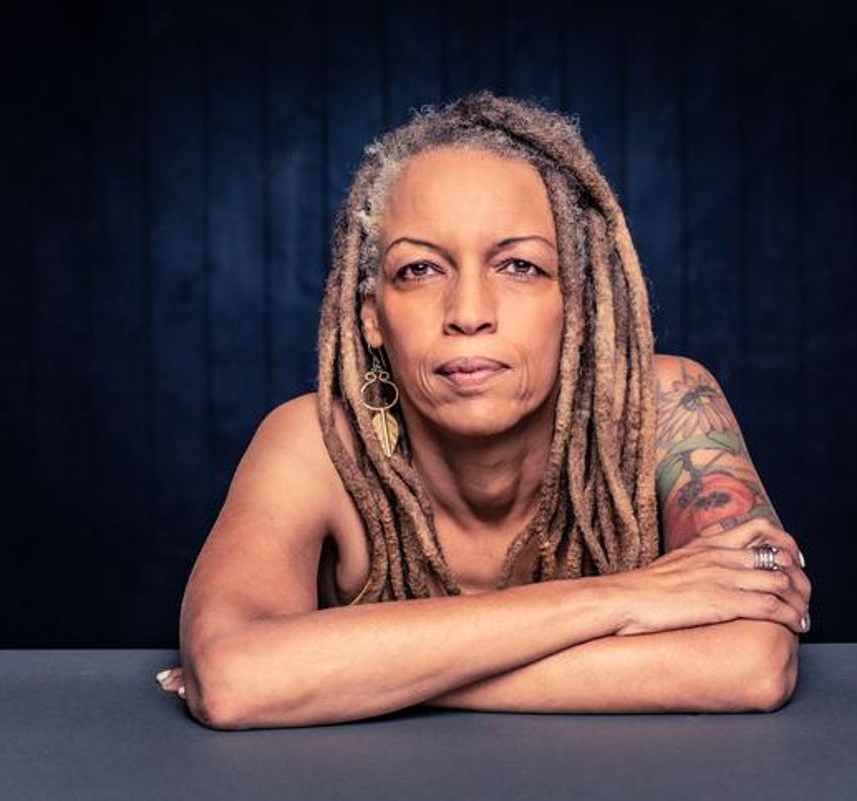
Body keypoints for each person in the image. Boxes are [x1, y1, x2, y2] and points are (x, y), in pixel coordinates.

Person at [153, 91, 812, 728]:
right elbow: (234, 677)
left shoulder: (668, 404)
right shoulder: (317, 442)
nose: (469, 313)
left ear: (579, 302)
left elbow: (751, 663)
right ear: (371, 316)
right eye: (419, 270)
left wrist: (355, 676)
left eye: (519, 265)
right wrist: (627, 598)